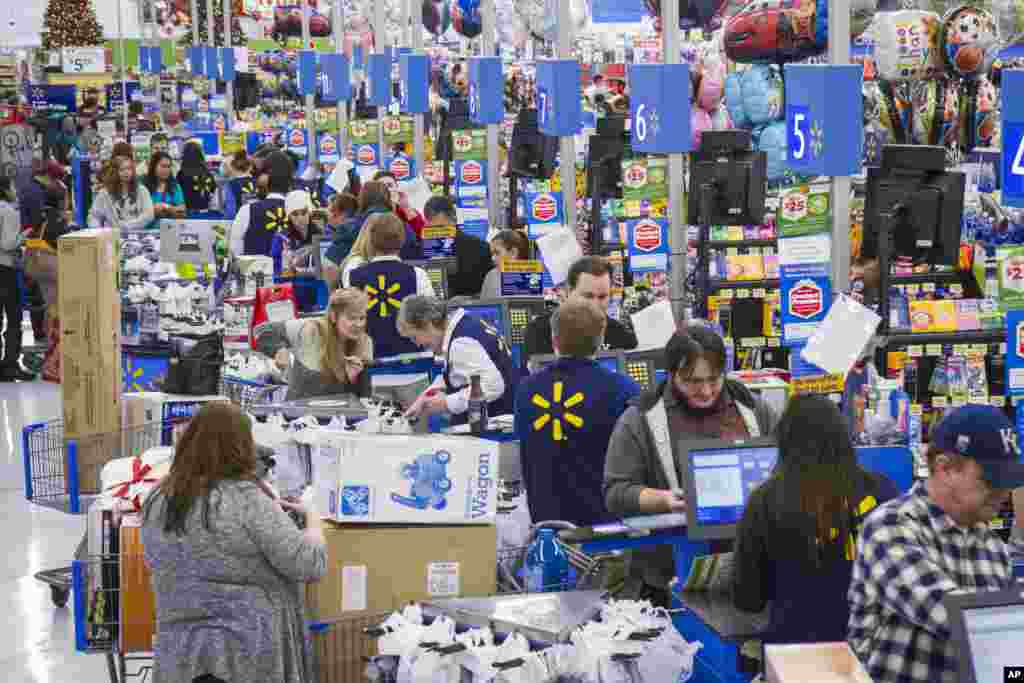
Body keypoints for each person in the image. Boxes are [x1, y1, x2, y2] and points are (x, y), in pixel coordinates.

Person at [141, 402, 327, 683]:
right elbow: (308, 563)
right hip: (247, 650)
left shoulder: (158, 498)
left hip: (180, 651)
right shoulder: (245, 499)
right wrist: (313, 517)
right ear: (241, 445)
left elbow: (156, 560)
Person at [603, 325, 777, 607]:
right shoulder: (640, 419)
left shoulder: (753, 411)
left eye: (713, 379)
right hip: (668, 576)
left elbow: (786, 468)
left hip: (749, 570)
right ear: (672, 374)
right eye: (693, 381)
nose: (706, 390)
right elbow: (616, 491)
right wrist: (664, 500)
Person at [848, 404, 1024, 683]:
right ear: (944, 469)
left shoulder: (992, 547)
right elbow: (948, 612)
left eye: (1008, 481)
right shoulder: (890, 527)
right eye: (990, 480)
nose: (1002, 492)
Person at [732, 395, 901, 644]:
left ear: (785, 442)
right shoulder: (883, 491)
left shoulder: (766, 501)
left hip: (795, 657)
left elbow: (748, 599)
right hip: (872, 651)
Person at [515, 300, 641, 526]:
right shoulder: (623, 389)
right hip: (606, 528)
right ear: (601, 340)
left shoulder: (526, 390)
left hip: (547, 527)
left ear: (553, 340)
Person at [400, 295, 520, 425]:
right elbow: (458, 373)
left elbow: (492, 386)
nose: (417, 344)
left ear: (427, 324)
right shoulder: (466, 323)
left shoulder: (461, 342)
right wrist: (426, 397)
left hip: (494, 427)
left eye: (414, 337)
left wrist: (446, 403)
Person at [256, 288, 373, 400]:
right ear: (333, 316)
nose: (358, 324)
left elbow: (364, 397)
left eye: (362, 318)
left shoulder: (365, 342)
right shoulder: (311, 329)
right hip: (299, 413)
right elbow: (262, 330)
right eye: (352, 318)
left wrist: (352, 379)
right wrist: (278, 350)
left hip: (340, 415)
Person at [348, 214, 435, 359]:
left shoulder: (353, 276)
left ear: (370, 240)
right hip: (412, 362)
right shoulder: (418, 275)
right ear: (402, 240)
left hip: (369, 362)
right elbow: (430, 320)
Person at [523, 256, 638, 362]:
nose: (595, 304)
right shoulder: (539, 331)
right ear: (569, 292)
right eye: (588, 296)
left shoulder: (619, 334)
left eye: (602, 297)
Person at [422, 195, 493, 298]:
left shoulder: (480, 248)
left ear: (454, 219)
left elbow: (487, 291)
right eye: (433, 229)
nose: (439, 234)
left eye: (442, 228)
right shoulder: (423, 250)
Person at [230, 151, 294, 257]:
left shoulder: (247, 210)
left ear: (265, 178)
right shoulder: (299, 210)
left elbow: (234, 250)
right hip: (289, 272)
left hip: (254, 271)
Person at [0, 177, 31, 381]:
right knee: (13, 317)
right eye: (12, 186)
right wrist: (24, 235)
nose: (15, 190)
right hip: (5, 269)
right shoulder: (9, 211)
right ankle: (10, 365)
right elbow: (8, 243)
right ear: (5, 189)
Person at [362, 176, 424, 261]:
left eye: (390, 185)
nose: (387, 190)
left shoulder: (407, 212)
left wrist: (407, 208)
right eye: (383, 187)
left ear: (397, 189)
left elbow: (423, 235)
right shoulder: (370, 214)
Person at [88, 155, 156, 230]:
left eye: (129, 169)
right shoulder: (104, 193)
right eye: (122, 169)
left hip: (137, 235)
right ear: (114, 172)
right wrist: (97, 231)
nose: (126, 172)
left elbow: (149, 215)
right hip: (112, 236)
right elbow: (94, 216)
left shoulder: (142, 190)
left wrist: (128, 225)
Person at [271, 190, 316, 278]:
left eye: (304, 213)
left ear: (310, 213)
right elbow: (276, 269)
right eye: (295, 214)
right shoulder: (281, 238)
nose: (300, 218)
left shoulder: (322, 234)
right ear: (289, 216)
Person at [480, 229, 531, 298]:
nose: (493, 258)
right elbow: (485, 306)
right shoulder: (491, 275)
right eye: (492, 254)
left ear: (513, 253)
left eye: (497, 253)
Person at [144, 151, 186, 227]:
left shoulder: (175, 186)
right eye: (163, 166)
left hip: (169, 230)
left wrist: (167, 207)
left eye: (168, 166)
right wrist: (153, 211)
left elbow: (182, 211)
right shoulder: (144, 186)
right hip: (147, 231)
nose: (166, 170)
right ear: (154, 166)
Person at [177, 139, 217, 213]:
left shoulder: (181, 174)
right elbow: (213, 190)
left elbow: (178, 193)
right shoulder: (207, 173)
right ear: (201, 154)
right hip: (205, 211)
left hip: (188, 211)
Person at [222, 150, 257, 219]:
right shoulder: (258, 182)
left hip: (239, 220)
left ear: (232, 167)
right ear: (250, 167)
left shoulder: (230, 184)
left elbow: (231, 211)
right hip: (256, 219)